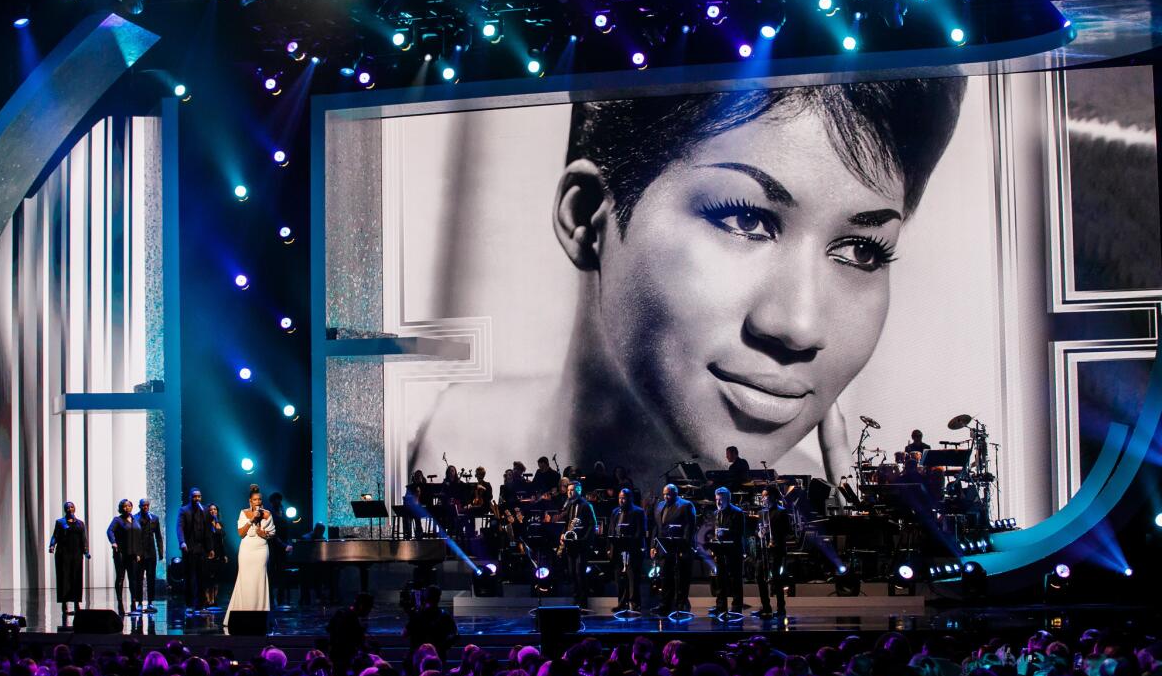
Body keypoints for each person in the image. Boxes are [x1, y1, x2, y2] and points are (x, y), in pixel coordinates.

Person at [411, 81, 967, 482]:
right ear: (586, 217)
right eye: (746, 219)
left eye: (861, 250)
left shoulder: (822, 526)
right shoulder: (402, 443)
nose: (799, 326)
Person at [225, 484, 275, 626]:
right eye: (255, 500)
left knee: (259, 580)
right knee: (245, 580)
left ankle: (260, 614)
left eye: (259, 499)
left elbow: (272, 534)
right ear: (250, 501)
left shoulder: (267, 514)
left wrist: (263, 533)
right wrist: (252, 519)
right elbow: (241, 533)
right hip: (247, 550)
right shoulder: (243, 513)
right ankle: (242, 612)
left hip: (261, 550)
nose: (257, 502)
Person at [650, 483, 696, 614]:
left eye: (669, 494)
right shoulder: (659, 506)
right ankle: (664, 605)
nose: (666, 497)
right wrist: (653, 546)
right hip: (664, 548)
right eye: (664, 494)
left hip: (680, 548)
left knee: (681, 578)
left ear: (676, 494)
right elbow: (656, 527)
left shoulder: (686, 505)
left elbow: (689, 528)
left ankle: (681, 605)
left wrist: (685, 547)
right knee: (665, 577)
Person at [753, 484, 793, 619]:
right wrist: (760, 533)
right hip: (763, 551)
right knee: (759, 576)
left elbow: (788, 531)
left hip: (776, 549)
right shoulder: (761, 513)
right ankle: (766, 606)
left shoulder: (781, 512)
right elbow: (757, 531)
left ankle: (781, 608)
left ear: (773, 497)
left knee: (776, 579)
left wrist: (772, 533)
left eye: (765, 496)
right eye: (762, 496)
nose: (763, 499)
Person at [177, 488, 215, 613]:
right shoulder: (184, 510)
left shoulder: (204, 510)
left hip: (201, 549)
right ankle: (189, 604)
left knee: (201, 577)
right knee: (189, 577)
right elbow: (180, 527)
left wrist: (210, 548)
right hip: (189, 548)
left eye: (199, 496)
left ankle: (201, 604)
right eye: (194, 497)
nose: (197, 499)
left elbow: (209, 531)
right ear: (190, 497)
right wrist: (182, 542)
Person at [608, 487, 646, 612]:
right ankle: (621, 603)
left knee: (632, 577)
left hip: (633, 550)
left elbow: (640, 532)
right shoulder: (615, 512)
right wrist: (610, 547)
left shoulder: (638, 512)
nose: (621, 500)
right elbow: (611, 530)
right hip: (618, 550)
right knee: (619, 577)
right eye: (619, 498)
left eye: (623, 498)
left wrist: (631, 542)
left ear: (630, 498)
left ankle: (634, 603)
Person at [49, 501, 90, 615]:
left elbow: (83, 539)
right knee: (64, 578)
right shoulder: (60, 522)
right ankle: (64, 604)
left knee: (76, 577)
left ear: (74, 508)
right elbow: (55, 536)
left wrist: (86, 551)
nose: (70, 509)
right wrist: (52, 545)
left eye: (71, 507)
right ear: (64, 509)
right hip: (63, 554)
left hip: (76, 554)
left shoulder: (80, 523)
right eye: (67, 507)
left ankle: (77, 602)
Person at [560, 480, 597, 608]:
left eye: (572, 490)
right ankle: (576, 599)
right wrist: (563, 534)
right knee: (571, 572)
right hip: (571, 544)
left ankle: (583, 602)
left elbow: (593, 525)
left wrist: (585, 540)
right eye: (568, 490)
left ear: (579, 491)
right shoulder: (569, 505)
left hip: (581, 544)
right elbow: (567, 522)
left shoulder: (586, 505)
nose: (569, 492)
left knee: (579, 572)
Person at [711, 486, 746, 614]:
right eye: (716, 500)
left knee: (735, 579)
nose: (718, 503)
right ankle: (721, 606)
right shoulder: (716, 513)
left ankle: (736, 606)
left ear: (727, 499)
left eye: (720, 500)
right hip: (720, 551)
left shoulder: (737, 512)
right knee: (720, 579)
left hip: (734, 551)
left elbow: (739, 533)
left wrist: (724, 532)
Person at [107, 499, 144, 616]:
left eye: (128, 506)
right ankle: (119, 601)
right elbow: (110, 531)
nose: (126, 508)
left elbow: (139, 538)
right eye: (124, 506)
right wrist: (113, 542)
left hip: (133, 554)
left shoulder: (135, 520)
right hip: (121, 553)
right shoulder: (118, 520)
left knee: (133, 578)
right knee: (121, 577)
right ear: (121, 508)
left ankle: (133, 601)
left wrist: (138, 553)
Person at [403, 585, 457, 664]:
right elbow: (454, 635)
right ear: (439, 598)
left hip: (419, 656)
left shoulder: (418, 615)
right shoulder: (445, 616)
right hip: (438, 656)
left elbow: (404, 634)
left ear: (425, 598)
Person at [136, 498, 164, 614]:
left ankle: (151, 602)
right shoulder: (134, 518)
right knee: (139, 578)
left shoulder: (154, 518)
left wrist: (161, 552)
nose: (145, 507)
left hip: (151, 553)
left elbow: (158, 536)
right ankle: (138, 602)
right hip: (139, 553)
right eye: (143, 505)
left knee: (151, 578)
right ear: (140, 506)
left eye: (147, 505)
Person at [266, 491, 294, 608]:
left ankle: (281, 597)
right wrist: (284, 545)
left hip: (283, 547)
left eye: (279, 499)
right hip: (273, 547)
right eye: (276, 500)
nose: (278, 502)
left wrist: (288, 544)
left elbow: (287, 531)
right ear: (272, 502)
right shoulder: (269, 514)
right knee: (271, 573)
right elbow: (272, 534)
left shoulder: (283, 512)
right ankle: (270, 598)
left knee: (282, 573)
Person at [206, 504, 227, 609]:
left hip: (219, 553)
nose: (213, 511)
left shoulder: (220, 524)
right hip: (209, 553)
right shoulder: (205, 523)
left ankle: (214, 599)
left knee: (217, 579)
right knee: (209, 578)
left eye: (215, 509)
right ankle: (208, 599)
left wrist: (224, 554)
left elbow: (222, 540)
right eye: (211, 510)